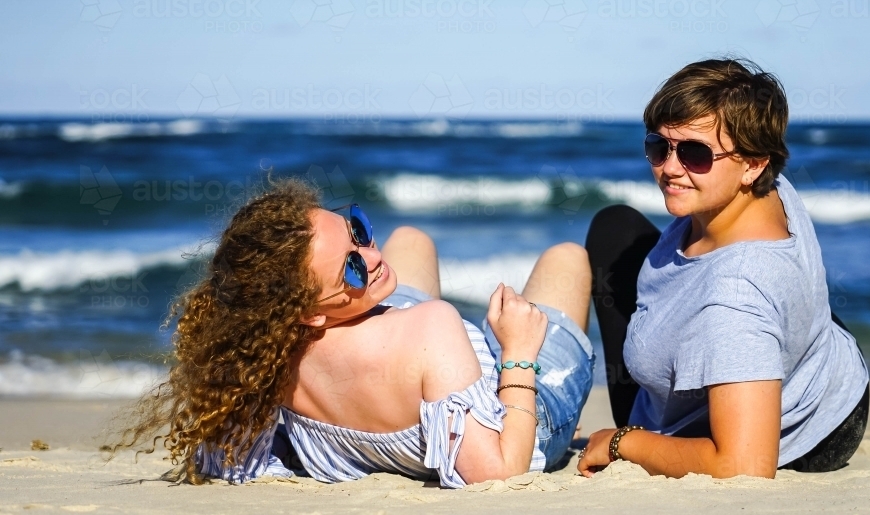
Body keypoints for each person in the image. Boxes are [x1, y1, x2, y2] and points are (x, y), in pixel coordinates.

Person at [112, 178, 595, 488]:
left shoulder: (267, 358)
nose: (373, 256)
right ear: (308, 313)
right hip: (506, 408)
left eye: (357, 231)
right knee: (567, 258)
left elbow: (225, 456)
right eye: (351, 269)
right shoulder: (433, 325)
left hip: (401, 352)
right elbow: (497, 472)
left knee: (410, 238)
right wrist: (517, 352)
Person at [578, 59, 870, 478]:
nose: (671, 168)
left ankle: (646, 426)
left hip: (812, 432)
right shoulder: (764, 188)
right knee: (615, 230)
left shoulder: (733, 301)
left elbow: (745, 467)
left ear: (754, 164)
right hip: (832, 367)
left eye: (696, 153)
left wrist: (624, 443)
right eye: (659, 145)